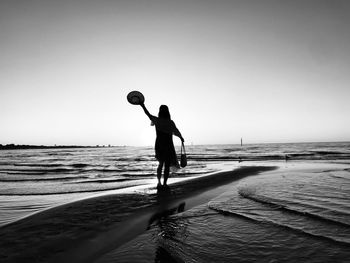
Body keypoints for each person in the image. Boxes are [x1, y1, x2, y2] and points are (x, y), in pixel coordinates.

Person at [140, 103, 184, 188]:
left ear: (160, 111)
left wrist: (142, 105)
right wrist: (181, 137)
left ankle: (159, 183)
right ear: (168, 112)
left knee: (160, 164)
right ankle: (164, 184)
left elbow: (147, 114)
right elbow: (176, 131)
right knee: (166, 165)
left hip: (159, 145)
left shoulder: (157, 120)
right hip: (168, 145)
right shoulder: (170, 122)